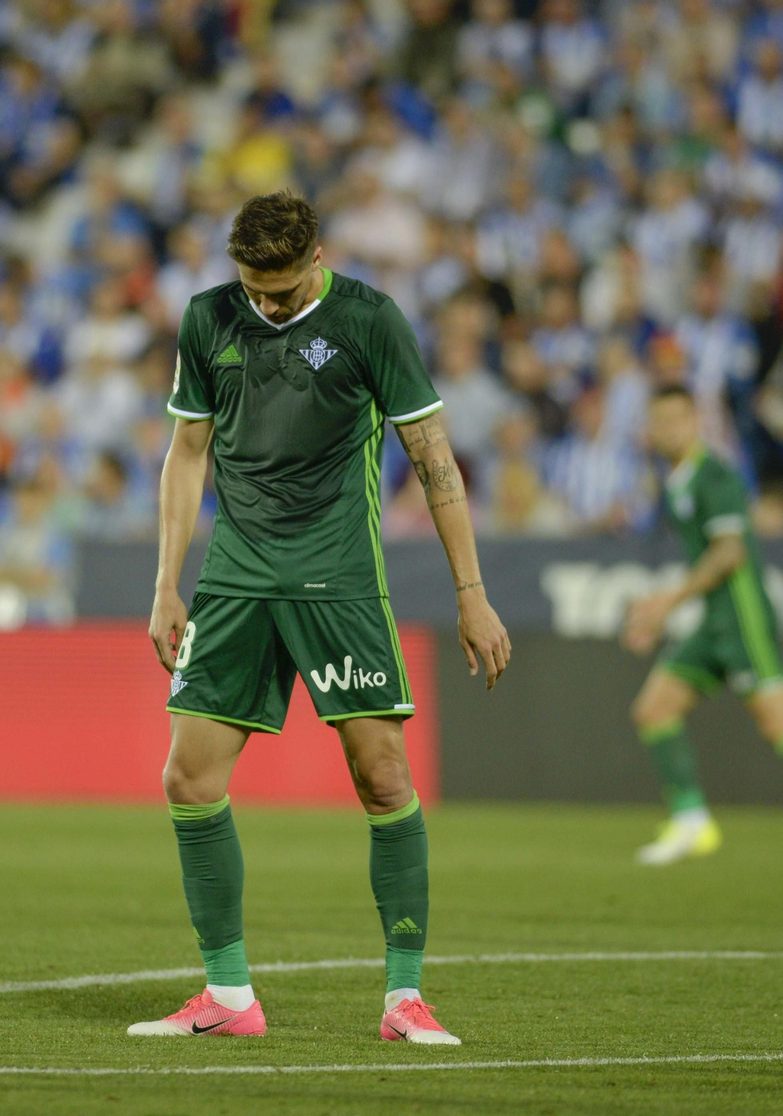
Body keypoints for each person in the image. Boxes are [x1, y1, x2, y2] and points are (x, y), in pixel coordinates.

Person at [137, 191, 511, 1044]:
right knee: (186, 778)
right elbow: (186, 452)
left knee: (381, 776)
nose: (265, 305)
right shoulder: (207, 320)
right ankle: (229, 998)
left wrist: (471, 591)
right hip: (236, 579)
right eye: (252, 288)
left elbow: (433, 457)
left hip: (338, 578)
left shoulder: (371, 319)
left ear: (317, 258)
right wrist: (167, 582)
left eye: (280, 290)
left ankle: (404, 999)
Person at [622, 386, 783, 869]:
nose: (668, 430)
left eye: (677, 419)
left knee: (780, 723)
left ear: (695, 421)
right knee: (654, 710)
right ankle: (691, 822)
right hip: (712, 621)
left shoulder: (714, 476)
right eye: (659, 422)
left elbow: (730, 551)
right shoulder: (677, 480)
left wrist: (667, 604)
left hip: (743, 619)